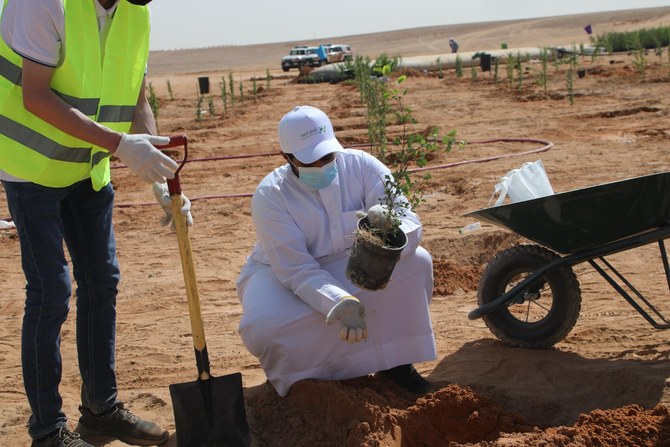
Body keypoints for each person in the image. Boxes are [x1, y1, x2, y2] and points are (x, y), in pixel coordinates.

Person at [0, 1, 192, 446]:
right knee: (51, 291)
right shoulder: (43, 3)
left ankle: (101, 410)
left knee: (102, 281)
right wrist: (119, 144)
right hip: (33, 167)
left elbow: (137, 99)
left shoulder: (134, 13)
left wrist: (161, 182)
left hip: (88, 168)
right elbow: (35, 95)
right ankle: (48, 431)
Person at [236, 105, 437, 398]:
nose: (321, 165)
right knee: (265, 325)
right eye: (310, 161)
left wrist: (388, 230)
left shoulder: (364, 167)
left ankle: (395, 365)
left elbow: (410, 222)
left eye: (327, 156)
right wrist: (338, 301)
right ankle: (304, 381)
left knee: (417, 263)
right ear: (286, 158)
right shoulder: (271, 195)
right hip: (278, 273)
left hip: (354, 258)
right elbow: (295, 268)